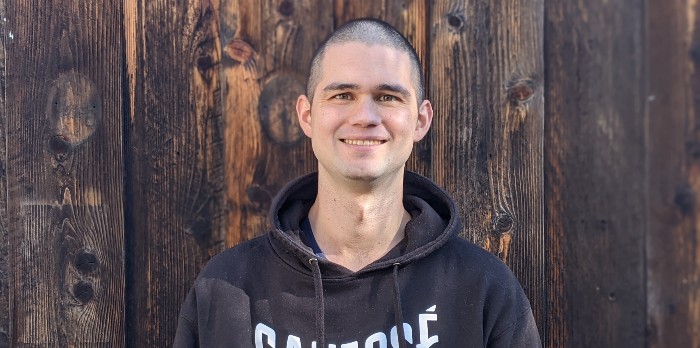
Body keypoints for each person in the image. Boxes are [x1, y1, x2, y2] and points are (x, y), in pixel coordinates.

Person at [174, 18, 541, 347]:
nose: (364, 116)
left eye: (387, 97)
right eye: (342, 95)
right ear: (307, 115)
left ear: (420, 120)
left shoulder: (483, 290)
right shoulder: (227, 291)